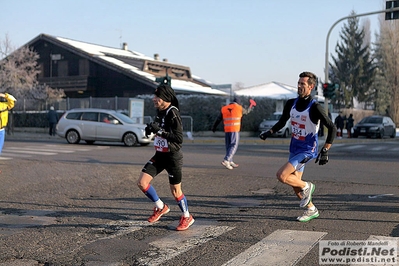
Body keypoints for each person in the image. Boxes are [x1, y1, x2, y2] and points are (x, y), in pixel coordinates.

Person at [259, 72, 336, 222]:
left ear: (311, 87)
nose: (299, 86)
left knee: (282, 176)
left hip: (307, 149)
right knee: (294, 183)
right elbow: (282, 122)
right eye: (299, 83)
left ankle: (308, 186)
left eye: (303, 84)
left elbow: (332, 128)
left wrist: (325, 150)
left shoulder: (315, 107)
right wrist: (269, 132)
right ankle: (311, 209)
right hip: (294, 148)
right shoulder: (291, 103)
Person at [137, 83, 194, 231]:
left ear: (165, 97)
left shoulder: (172, 112)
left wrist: (160, 132)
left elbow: (178, 138)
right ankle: (161, 207)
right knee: (142, 183)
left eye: (157, 97)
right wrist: (151, 129)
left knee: (176, 191)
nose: (153, 99)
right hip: (160, 155)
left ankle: (187, 216)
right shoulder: (160, 111)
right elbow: (158, 126)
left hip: (172, 157)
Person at [212, 97, 254, 170]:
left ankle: (230, 160)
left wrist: (214, 127)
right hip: (234, 129)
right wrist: (251, 105)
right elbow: (247, 111)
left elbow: (218, 119)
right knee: (233, 145)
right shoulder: (239, 108)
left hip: (227, 129)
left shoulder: (224, 108)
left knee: (228, 146)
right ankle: (227, 160)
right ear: (238, 103)